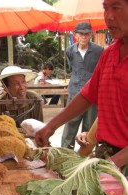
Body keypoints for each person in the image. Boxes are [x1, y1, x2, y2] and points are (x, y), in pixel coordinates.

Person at [35, 0, 128, 170]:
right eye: (105, 8)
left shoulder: (100, 51)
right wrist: (51, 126)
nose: (108, 16)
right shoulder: (109, 54)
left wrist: (116, 162)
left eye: (116, 8)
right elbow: (87, 95)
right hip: (107, 155)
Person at [61, 22, 104, 149]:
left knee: (89, 126)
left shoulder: (99, 51)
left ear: (91, 34)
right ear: (75, 35)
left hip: (92, 94)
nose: (84, 37)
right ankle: (65, 152)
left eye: (87, 34)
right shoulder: (70, 50)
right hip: (74, 93)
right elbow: (72, 68)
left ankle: (86, 154)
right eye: (81, 34)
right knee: (70, 123)